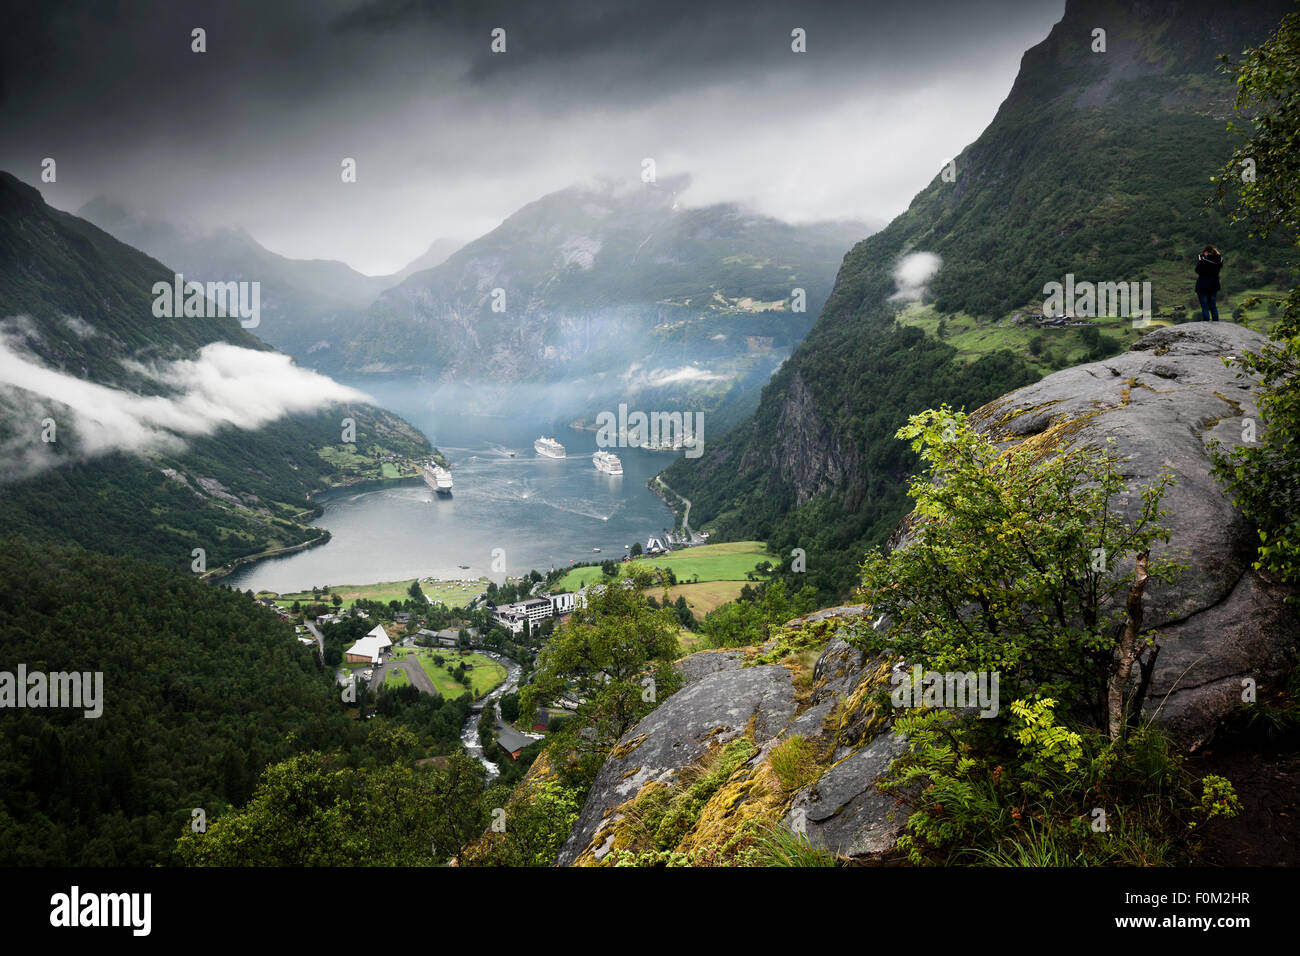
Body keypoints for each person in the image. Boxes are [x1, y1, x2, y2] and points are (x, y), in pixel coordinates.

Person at [1195, 245, 1223, 321]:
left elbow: (1197, 270)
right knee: (1213, 306)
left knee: (1205, 306)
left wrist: (1200, 261)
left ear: (1206, 252)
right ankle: (1216, 322)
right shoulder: (1219, 259)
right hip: (1214, 285)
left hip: (1203, 285)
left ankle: (1206, 324)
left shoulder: (1203, 260)